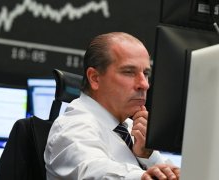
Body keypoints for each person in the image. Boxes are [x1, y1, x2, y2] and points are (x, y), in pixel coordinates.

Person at [44, 32, 180, 179]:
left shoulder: (132, 129)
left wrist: (148, 155)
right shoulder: (73, 127)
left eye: (146, 73)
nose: (144, 84)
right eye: (129, 72)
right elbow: (93, 171)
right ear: (95, 78)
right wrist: (143, 177)